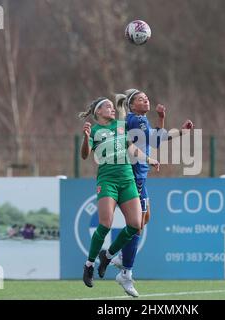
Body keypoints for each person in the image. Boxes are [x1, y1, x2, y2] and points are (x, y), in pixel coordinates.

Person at [111, 89, 193, 296]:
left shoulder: (138, 119)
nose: (146, 100)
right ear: (131, 105)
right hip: (135, 176)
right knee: (137, 225)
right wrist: (181, 132)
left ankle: (121, 257)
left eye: (147, 97)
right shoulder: (136, 120)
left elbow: (154, 141)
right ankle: (126, 272)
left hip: (141, 176)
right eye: (140, 99)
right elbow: (156, 138)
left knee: (145, 218)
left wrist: (162, 118)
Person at [78, 97, 160, 294]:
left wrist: (149, 159)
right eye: (107, 106)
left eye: (112, 106)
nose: (112, 108)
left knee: (135, 224)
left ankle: (108, 255)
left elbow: (131, 148)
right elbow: (84, 154)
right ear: (98, 112)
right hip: (107, 180)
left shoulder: (121, 126)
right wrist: (85, 137)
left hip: (127, 179)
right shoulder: (95, 131)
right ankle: (89, 265)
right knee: (105, 224)